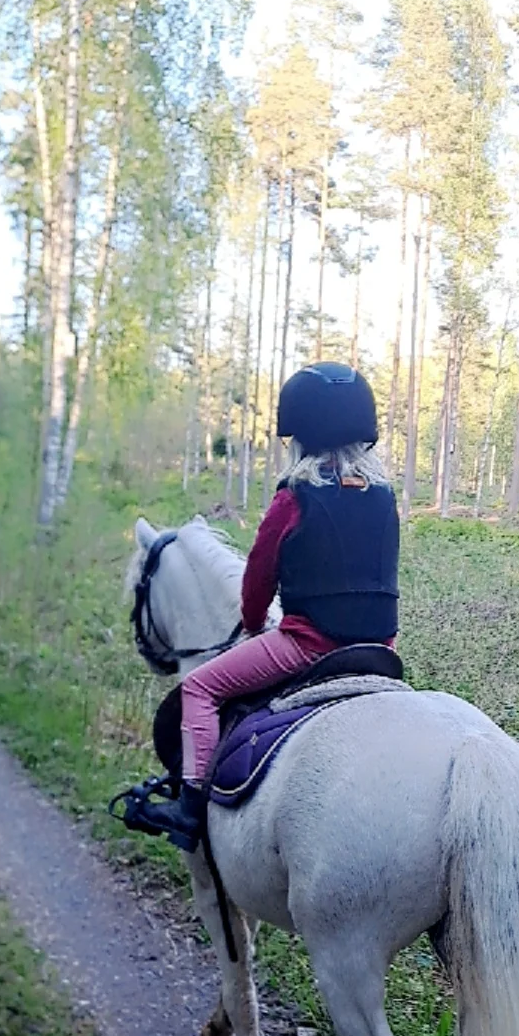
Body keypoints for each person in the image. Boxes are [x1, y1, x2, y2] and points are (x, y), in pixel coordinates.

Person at [162, 361, 400, 852]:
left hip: (309, 645)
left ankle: (189, 810)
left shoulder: (294, 497)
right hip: (380, 648)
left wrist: (253, 626)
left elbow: (257, 579)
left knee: (201, 689)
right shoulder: (383, 497)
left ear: (301, 436)